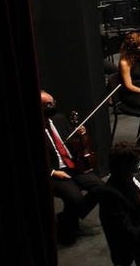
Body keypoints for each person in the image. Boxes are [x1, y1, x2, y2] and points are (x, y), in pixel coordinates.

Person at [41, 89, 105, 244]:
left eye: (53, 102)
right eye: (49, 104)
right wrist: (52, 172)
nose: (53, 106)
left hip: (74, 165)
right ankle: (68, 225)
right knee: (74, 197)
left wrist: (81, 134)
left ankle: (66, 219)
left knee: (101, 188)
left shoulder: (60, 119)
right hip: (55, 171)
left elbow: (73, 142)